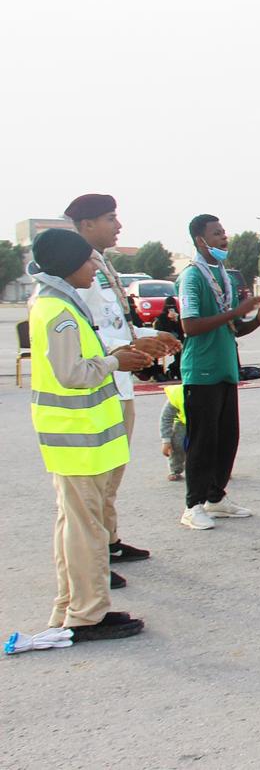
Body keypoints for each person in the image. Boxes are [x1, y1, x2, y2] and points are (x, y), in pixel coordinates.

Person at [26, 228, 154, 642]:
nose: (94, 268)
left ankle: (72, 605)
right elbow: (72, 374)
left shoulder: (58, 303)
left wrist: (112, 356)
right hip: (78, 439)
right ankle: (86, 614)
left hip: (77, 440)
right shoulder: (59, 312)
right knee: (86, 529)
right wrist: (114, 363)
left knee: (76, 524)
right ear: (68, 264)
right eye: (87, 261)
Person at [64, 193, 181, 578]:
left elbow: (116, 325)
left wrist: (150, 336)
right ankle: (93, 558)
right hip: (100, 385)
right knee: (93, 484)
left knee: (112, 475)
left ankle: (109, 542)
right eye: (110, 218)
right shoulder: (77, 271)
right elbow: (87, 335)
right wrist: (129, 348)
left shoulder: (101, 264)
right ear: (87, 225)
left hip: (119, 382)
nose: (118, 226)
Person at [177, 214, 260, 530]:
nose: (224, 238)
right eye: (216, 233)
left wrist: (257, 321)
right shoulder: (192, 277)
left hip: (225, 369)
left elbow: (233, 327)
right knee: (202, 441)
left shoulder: (225, 276)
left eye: (224, 232)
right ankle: (193, 505)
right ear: (200, 240)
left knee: (226, 439)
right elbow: (190, 325)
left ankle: (216, 497)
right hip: (201, 371)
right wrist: (234, 312)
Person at [151, 296, 185, 381]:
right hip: (163, 340)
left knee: (182, 352)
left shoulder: (179, 316)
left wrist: (176, 320)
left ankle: (176, 369)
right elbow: (160, 330)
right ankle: (156, 373)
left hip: (177, 340)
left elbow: (181, 330)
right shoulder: (161, 317)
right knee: (154, 351)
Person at [160, 384, 187, 482]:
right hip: (183, 424)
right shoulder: (178, 393)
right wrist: (166, 441)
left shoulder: (215, 389)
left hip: (208, 423)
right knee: (177, 443)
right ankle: (175, 469)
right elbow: (166, 418)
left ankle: (219, 468)